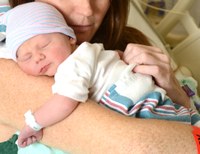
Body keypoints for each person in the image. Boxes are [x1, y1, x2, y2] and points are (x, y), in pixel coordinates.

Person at [0, 0, 197, 153]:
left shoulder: (132, 45)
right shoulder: (12, 59)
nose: (87, 10)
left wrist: (176, 93)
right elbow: (140, 147)